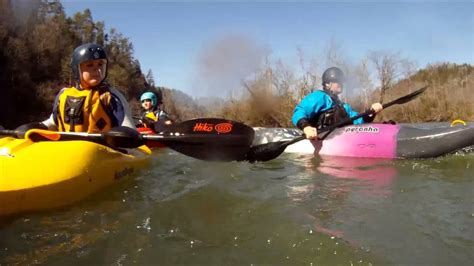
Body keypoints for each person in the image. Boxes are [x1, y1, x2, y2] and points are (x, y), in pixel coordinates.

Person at [16, 43, 135, 134]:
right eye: (90, 65)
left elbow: (128, 127)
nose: (97, 70)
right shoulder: (63, 94)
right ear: (76, 69)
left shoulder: (111, 96)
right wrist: (38, 127)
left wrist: (120, 136)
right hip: (69, 150)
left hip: (102, 150)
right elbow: (54, 122)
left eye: (100, 64)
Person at [292, 67, 383, 139]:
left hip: (341, 139)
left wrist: (370, 112)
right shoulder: (319, 97)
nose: (342, 84)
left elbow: (358, 120)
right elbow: (299, 112)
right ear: (328, 84)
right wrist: (306, 127)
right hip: (319, 138)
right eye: (338, 81)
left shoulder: (344, 106)